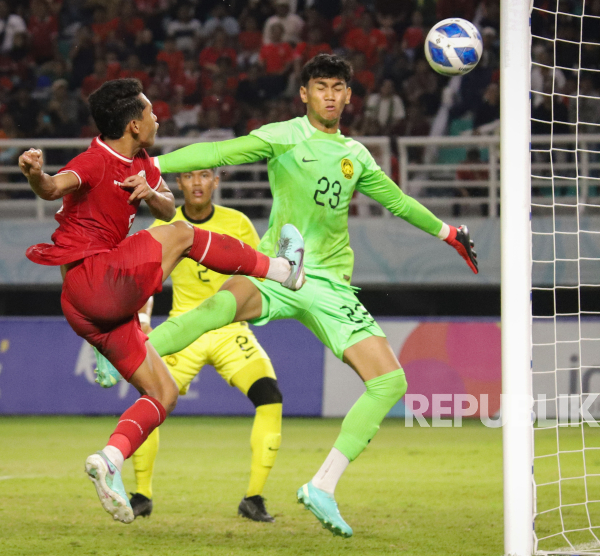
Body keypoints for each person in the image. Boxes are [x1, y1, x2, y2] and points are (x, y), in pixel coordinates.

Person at [104, 54, 478, 537]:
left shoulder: (357, 156)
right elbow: (218, 153)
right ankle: (121, 354)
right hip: (279, 267)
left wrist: (449, 233)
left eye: (337, 87)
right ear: (304, 93)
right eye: (319, 86)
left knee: (390, 382)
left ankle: (322, 486)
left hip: (327, 284)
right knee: (211, 310)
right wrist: (152, 166)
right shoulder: (283, 135)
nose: (328, 94)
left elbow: (398, 202)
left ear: (347, 95)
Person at [18, 78, 305, 525]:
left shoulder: (144, 163)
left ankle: (109, 460)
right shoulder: (97, 159)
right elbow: (55, 187)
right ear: (134, 124)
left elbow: (168, 208)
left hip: (85, 310)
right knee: (186, 236)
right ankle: (283, 270)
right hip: (96, 278)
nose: (158, 117)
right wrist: (36, 173)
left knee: (163, 393)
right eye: (151, 113)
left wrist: (150, 192)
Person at [128, 167, 283, 523]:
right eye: (189, 177)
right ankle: (141, 494)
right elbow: (145, 282)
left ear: (216, 181)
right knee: (150, 403)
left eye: (205, 175)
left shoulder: (238, 222)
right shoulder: (164, 226)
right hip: (185, 329)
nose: (197, 183)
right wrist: (144, 321)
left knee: (269, 396)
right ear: (178, 183)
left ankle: (254, 498)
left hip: (230, 330)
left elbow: (259, 273)